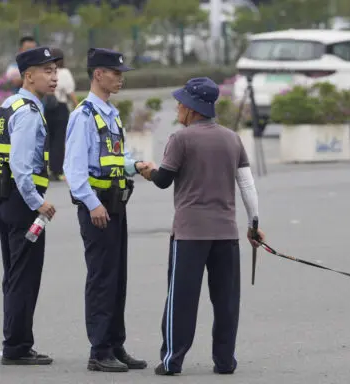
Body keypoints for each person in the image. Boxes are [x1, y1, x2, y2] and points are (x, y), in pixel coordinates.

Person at [139, 77, 265, 376]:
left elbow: (163, 180)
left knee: (181, 299)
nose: (178, 107)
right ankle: (225, 361)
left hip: (190, 234)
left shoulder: (180, 139)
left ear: (193, 108)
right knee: (226, 301)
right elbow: (247, 185)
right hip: (226, 234)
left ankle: (172, 361)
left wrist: (148, 170)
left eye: (182, 102)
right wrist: (253, 224)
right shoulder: (232, 138)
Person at [63, 48, 154, 373]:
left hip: (115, 205)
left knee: (118, 279)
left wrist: (136, 164)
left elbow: (116, 157)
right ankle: (99, 350)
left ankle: (115, 344)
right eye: (115, 72)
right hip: (97, 208)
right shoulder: (83, 115)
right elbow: (73, 171)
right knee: (102, 279)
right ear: (98, 74)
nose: (120, 78)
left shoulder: (110, 114)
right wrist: (92, 204)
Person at [0, 46, 60, 365]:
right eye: (46, 71)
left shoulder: (9, 105)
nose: (54, 77)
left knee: (14, 274)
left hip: (7, 201)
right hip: (23, 205)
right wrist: (40, 203)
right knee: (24, 276)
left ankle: (16, 341)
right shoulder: (27, 113)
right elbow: (21, 167)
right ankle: (17, 346)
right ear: (28, 76)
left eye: (55, 71)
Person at [44, 47, 78, 181]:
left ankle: (48, 168)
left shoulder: (46, 72)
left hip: (47, 108)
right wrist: (78, 107)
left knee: (49, 139)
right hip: (61, 108)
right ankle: (56, 170)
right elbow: (70, 92)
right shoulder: (64, 73)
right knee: (59, 140)